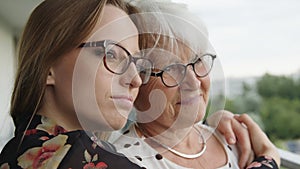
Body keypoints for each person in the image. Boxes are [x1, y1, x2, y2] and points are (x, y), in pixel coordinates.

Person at [112, 0, 280, 168]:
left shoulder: (231, 139)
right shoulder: (124, 162)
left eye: (198, 60)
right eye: (170, 68)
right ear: (135, 82)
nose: (193, 82)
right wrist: (269, 158)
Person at [0, 0, 154, 168]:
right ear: (47, 67)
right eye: (111, 54)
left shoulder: (12, 154)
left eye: (138, 65)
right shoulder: (92, 159)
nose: (136, 80)